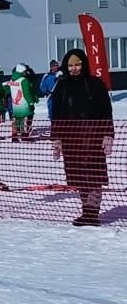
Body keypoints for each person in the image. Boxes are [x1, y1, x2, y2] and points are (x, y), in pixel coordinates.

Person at [50, 48, 114, 226]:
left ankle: (92, 212)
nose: (74, 68)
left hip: (92, 138)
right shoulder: (62, 86)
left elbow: (106, 111)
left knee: (93, 175)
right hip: (71, 140)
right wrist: (56, 139)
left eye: (77, 64)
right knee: (78, 176)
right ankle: (86, 210)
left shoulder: (95, 84)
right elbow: (57, 114)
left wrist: (107, 134)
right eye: (70, 65)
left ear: (84, 64)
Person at [9, 64, 37, 142]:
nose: (26, 73)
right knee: (26, 119)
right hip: (24, 104)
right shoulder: (23, 80)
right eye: (25, 71)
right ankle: (25, 136)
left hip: (16, 105)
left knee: (17, 120)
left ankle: (14, 136)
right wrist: (31, 102)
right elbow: (27, 93)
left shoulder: (12, 80)